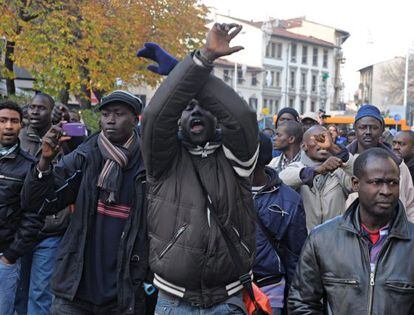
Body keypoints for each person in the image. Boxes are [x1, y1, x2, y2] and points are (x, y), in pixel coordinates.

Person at [140, 23, 259, 314]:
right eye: (187, 107)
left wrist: (190, 68)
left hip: (228, 299)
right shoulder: (163, 161)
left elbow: (241, 116)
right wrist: (199, 61)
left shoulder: (237, 158)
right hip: (174, 301)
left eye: (202, 106)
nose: (194, 111)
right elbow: (157, 115)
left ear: (215, 117)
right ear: (179, 120)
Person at [20, 91, 152, 314]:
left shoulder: (148, 164)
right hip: (75, 290)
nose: (110, 120)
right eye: (106, 114)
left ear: (135, 119)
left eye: (118, 114)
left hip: (124, 293)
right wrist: (44, 162)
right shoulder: (86, 155)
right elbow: (36, 202)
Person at [288, 148, 414, 315]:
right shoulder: (323, 239)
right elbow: (302, 302)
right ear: (355, 184)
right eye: (376, 182)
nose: (386, 191)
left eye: (393, 182)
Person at [16, 92, 72, 315]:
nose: (35, 112)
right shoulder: (19, 138)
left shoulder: (66, 137)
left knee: (40, 294)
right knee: (18, 290)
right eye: (31, 108)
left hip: (50, 230)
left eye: (41, 108)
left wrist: (69, 124)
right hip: (20, 230)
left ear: (52, 112)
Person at [252, 133, 307, 315]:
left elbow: (295, 255)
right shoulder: (223, 192)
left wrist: (294, 302)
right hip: (229, 288)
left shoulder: (289, 200)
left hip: (270, 288)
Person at [0, 100, 43, 315]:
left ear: (21, 125)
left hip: (5, 259)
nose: (8, 126)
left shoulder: (28, 166)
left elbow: (33, 215)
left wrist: (11, 254)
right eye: (3, 120)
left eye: (14, 121)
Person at [346, 104, 414, 222]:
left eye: (374, 127)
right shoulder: (340, 162)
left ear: (382, 130)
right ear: (355, 129)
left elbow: (410, 205)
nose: (368, 132)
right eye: (363, 127)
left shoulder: (397, 164)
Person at [279, 125, 354, 230]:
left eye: (324, 139)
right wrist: (317, 170)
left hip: (335, 240)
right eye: (316, 139)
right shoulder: (297, 167)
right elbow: (283, 179)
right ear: (304, 146)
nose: (322, 144)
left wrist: (333, 147)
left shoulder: (340, 171)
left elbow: (361, 176)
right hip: (305, 241)